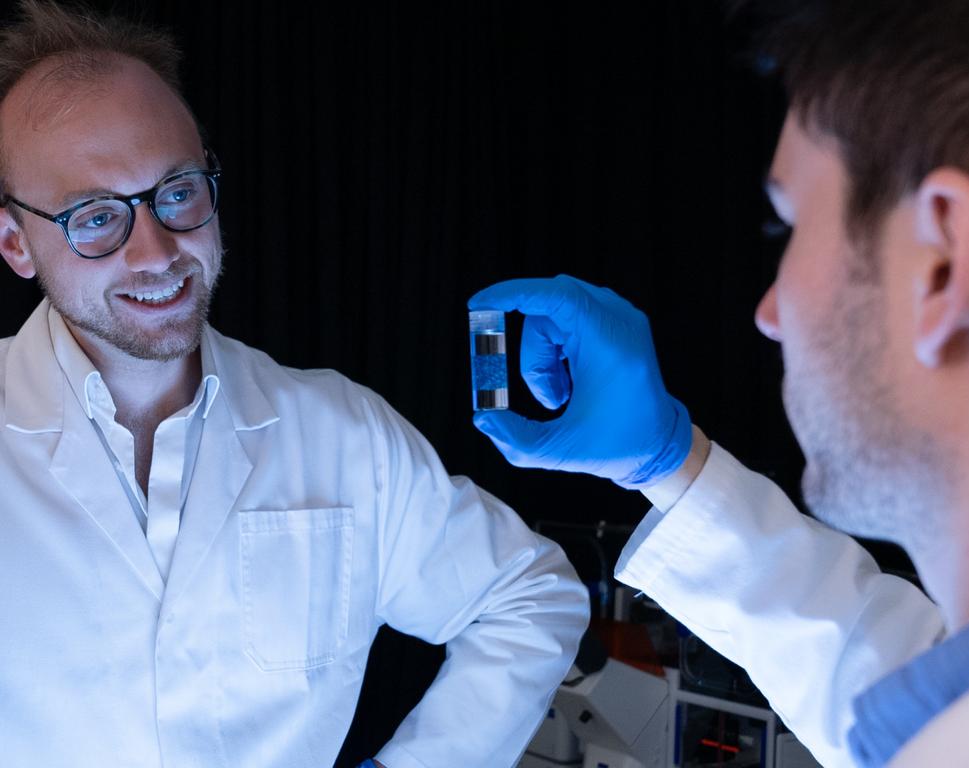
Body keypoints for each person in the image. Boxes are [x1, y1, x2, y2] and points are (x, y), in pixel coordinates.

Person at [0, 2, 588, 767]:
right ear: (16, 242)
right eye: (96, 216)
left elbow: (530, 597)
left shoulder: (341, 433)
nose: (156, 252)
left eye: (177, 192)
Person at [470, 0, 969, 765]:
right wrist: (669, 463)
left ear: (943, 261)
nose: (769, 314)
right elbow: (880, 670)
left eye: (788, 224)